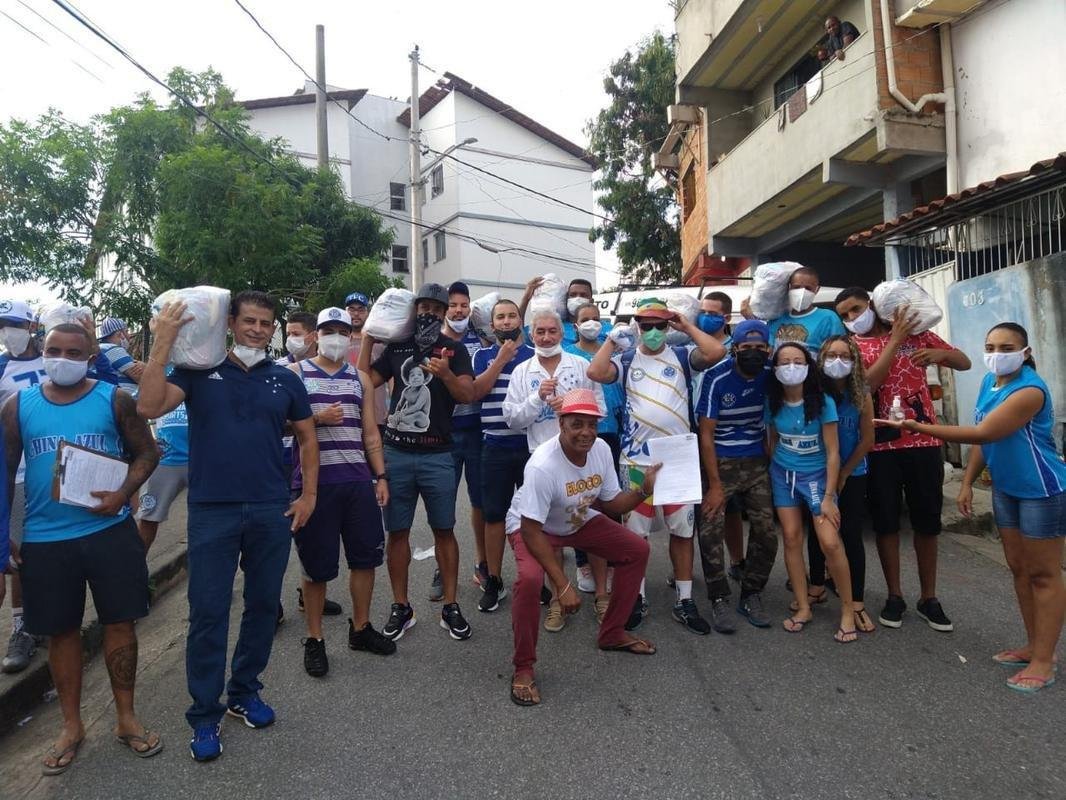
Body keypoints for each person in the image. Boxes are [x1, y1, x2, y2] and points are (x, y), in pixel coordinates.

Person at [138, 291, 319, 762]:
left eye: (266, 323)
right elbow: (149, 407)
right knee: (208, 612)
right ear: (231, 323)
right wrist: (163, 343)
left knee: (262, 606)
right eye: (249, 321)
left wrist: (309, 496)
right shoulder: (197, 374)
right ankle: (204, 713)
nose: (258, 330)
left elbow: (306, 436)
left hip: (270, 509)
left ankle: (244, 692)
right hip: (212, 510)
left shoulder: (285, 379)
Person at [2, 323, 162, 774]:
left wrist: (123, 492)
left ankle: (126, 718)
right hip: (45, 540)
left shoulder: (114, 399)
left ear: (91, 356)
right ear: (43, 353)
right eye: (54, 349)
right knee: (61, 633)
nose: (63, 357)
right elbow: (3, 473)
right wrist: (4, 536)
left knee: (120, 624)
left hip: (109, 533)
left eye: (74, 351)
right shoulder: (18, 407)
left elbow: (147, 452)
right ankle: (71, 726)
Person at [880, 323, 1066, 693]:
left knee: (1044, 575)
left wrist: (918, 427)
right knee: (1018, 570)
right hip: (1007, 489)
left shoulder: (1028, 390)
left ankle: (1045, 660)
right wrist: (967, 482)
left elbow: (983, 433)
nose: (997, 353)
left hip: (1041, 489)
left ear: (1025, 352)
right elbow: (983, 437)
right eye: (991, 345)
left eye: (1007, 346)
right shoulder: (989, 383)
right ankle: (1032, 645)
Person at [507, 389, 660, 707]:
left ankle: (612, 633)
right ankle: (523, 668)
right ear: (561, 424)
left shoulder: (601, 449)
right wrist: (562, 586)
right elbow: (531, 530)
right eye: (577, 424)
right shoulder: (542, 466)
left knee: (637, 551)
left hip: (577, 518)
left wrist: (642, 490)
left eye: (591, 425)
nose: (586, 432)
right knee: (530, 581)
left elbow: (611, 502)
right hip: (533, 527)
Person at [835, 287, 971, 631]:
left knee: (927, 522)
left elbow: (963, 362)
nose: (852, 318)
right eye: (845, 315)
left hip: (924, 441)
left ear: (872, 305)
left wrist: (934, 352)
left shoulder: (919, 333)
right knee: (886, 523)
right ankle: (894, 596)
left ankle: (929, 598)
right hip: (881, 446)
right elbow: (865, 385)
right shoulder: (855, 346)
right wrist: (894, 342)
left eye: (856, 309)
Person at [588, 297, 726, 634]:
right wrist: (611, 338)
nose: (652, 332)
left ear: (668, 326)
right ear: (638, 326)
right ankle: (636, 597)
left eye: (659, 325)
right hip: (637, 460)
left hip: (678, 459)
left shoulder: (681, 356)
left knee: (682, 531)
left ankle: (684, 599)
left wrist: (687, 326)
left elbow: (716, 352)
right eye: (646, 325)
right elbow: (595, 371)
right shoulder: (626, 358)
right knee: (636, 537)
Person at [359, 283, 476, 643]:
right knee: (397, 532)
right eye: (422, 307)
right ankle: (401, 606)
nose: (428, 313)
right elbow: (365, 380)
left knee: (444, 529)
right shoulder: (398, 348)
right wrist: (367, 337)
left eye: (435, 309)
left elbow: (468, 394)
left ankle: (451, 605)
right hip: (396, 453)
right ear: (415, 311)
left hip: (439, 453)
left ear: (443, 314)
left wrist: (445, 374)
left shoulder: (454, 350)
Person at [286, 308, 394, 678]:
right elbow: (277, 424)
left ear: (351, 336)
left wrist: (380, 476)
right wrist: (315, 419)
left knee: (365, 559)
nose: (335, 336)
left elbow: (370, 432)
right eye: (327, 330)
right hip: (314, 485)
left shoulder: (359, 377)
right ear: (315, 335)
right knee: (317, 568)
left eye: (341, 331)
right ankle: (315, 639)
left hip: (357, 481)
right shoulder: (296, 374)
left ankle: (360, 628)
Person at [503, 308, 605, 632]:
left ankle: (603, 595)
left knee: (592, 525)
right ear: (531, 334)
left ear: (562, 333)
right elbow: (512, 418)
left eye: (552, 331)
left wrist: (572, 406)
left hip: (581, 458)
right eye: (540, 332)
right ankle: (560, 598)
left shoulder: (580, 365)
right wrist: (538, 398)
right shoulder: (521, 371)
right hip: (542, 463)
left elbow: (599, 406)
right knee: (547, 534)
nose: (546, 337)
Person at [766, 342, 857, 642]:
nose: (791, 367)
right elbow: (772, 441)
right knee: (791, 538)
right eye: (784, 362)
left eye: (798, 361)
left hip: (817, 479)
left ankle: (847, 609)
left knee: (830, 542)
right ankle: (803, 606)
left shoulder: (823, 401)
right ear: (775, 369)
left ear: (808, 366)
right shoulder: (773, 401)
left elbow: (833, 452)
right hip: (783, 475)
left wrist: (830, 496)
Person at [695, 320, 779, 632]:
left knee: (767, 532)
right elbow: (706, 433)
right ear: (735, 348)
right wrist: (715, 485)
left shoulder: (772, 374)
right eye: (747, 348)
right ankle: (718, 598)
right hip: (721, 462)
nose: (754, 354)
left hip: (757, 462)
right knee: (711, 530)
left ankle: (751, 593)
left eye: (761, 348)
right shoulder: (717, 378)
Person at [807, 335, 876, 631]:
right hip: (817, 473)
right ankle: (817, 586)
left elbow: (868, 439)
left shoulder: (861, 392)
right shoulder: (814, 391)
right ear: (821, 359)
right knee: (817, 531)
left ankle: (857, 602)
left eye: (844, 356)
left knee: (849, 534)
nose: (838, 361)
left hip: (853, 472)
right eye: (831, 355)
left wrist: (845, 472)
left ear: (854, 361)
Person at [470, 299, 534, 614]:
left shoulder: (535, 356)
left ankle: (535, 578)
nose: (506, 322)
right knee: (493, 516)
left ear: (521, 320)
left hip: (529, 447)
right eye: (500, 317)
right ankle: (494, 580)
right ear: (492, 325)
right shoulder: (482, 356)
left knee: (533, 516)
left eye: (511, 316)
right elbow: (477, 393)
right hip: (493, 445)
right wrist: (500, 359)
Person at [276, 311, 339, 620]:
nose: (292, 339)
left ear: (314, 335)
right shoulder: (278, 370)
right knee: (276, 537)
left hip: (314, 465)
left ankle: (310, 594)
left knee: (314, 537)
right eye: (288, 333)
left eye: (297, 332)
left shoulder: (332, 369)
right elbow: (273, 422)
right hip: (282, 462)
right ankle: (269, 604)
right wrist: (317, 419)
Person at [564, 302, 623, 619]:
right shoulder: (568, 351)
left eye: (596, 320)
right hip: (579, 434)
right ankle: (584, 562)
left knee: (607, 499)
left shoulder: (615, 350)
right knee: (580, 499)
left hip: (611, 432)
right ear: (574, 325)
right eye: (585, 320)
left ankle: (610, 559)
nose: (591, 324)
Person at [0, 299, 47, 674]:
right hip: (17, 475)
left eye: (13, 323)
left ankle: (54, 619)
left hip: (60, 471)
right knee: (18, 557)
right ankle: (23, 629)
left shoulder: (59, 358)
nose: (7, 331)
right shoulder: (0, 367)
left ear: (31, 325)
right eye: (2, 325)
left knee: (63, 548)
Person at [438, 282, 488, 600]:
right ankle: (442, 568)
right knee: (442, 503)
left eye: (464, 305)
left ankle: (482, 563)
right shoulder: (433, 341)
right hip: (443, 432)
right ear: (444, 308)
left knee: (479, 502)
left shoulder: (479, 338)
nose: (458, 310)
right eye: (453, 305)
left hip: (477, 431)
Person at [695, 292, 745, 580]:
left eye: (712, 312)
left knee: (731, 505)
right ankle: (687, 569)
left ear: (726, 317)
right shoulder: (691, 345)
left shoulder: (734, 348)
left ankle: (737, 560)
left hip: (725, 435)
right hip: (694, 430)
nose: (705, 316)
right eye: (702, 311)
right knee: (695, 506)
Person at [750, 266, 846, 352]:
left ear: (817, 289)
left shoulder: (828, 318)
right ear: (789, 287)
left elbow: (840, 351)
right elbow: (766, 349)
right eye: (796, 287)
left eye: (808, 288)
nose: (802, 292)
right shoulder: (777, 317)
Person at [518, 276, 608, 346]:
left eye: (583, 295)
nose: (577, 298)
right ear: (566, 299)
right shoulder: (553, 327)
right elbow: (519, 331)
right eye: (573, 295)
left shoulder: (608, 329)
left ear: (591, 301)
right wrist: (525, 299)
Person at [345, 292, 388, 434]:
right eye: (352, 309)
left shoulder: (380, 342)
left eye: (361, 309)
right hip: (347, 415)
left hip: (377, 415)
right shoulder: (339, 341)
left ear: (368, 313)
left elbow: (391, 376)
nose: (356, 314)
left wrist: (392, 406)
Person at [94, 318, 145, 395]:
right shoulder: (112, 349)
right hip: (128, 401)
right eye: (127, 331)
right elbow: (142, 378)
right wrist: (145, 366)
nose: (129, 336)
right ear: (120, 334)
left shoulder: (103, 349)